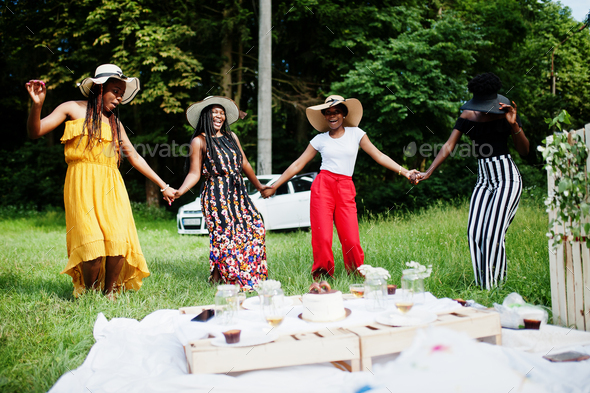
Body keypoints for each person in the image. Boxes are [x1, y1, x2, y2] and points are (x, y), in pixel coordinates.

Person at [26, 64, 176, 297]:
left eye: (122, 94)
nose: (119, 98)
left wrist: (163, 185)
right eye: (115, 91)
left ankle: (110, 293)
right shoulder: (72, 108)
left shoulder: (115, 123)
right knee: (91, 243)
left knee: (117, 240)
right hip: (81, 182)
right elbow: (35, 132)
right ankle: (90, 292)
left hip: (112, 183)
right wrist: (37, 106)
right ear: (99, 87)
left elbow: (134, 157)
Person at [261, 95, 416, 279]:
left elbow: (379, 155)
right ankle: (323, 274)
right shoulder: (320, 139)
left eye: (336, 111)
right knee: (322, 237)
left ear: (343, 114)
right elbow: (297, 165)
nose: (332, 115)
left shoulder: (356, 133)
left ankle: (357, 273)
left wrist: (405, 172)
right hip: (323, 186)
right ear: (324, 116)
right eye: (328, 112)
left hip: (345, 187)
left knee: (350, 237)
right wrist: (275, 186)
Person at [412, 72, 529, 290]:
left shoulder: (506, 112)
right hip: (484, 180)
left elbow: (524, 151)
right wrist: (428, 172)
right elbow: (448, 146)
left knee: (493, 234)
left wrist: (514, 125)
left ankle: (495, 288)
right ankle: (483, 285)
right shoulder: (467, 115)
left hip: (507, 179)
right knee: (475, 233)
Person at [175, 96, 269, 291]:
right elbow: (194, 173)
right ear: (205, 116)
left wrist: (260, 186)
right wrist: (180, 191)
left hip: (238, 193)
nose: (219, 115)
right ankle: (231, 279)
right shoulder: (199, 141)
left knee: (256, 225)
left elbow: (244, 164)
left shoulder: (231, 137)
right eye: (214, 112)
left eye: (221, 112)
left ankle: (228, 276)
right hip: (216, 194)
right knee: (225, 236)